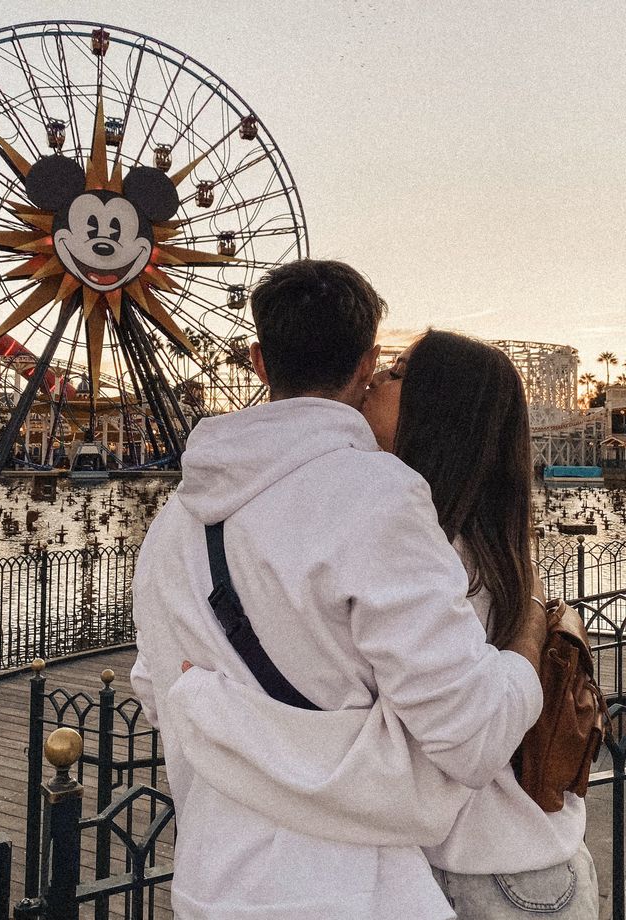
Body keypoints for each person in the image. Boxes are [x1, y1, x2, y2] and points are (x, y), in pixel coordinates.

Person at [130, 261, 547, 920]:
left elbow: (158, 688)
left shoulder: (170, 529)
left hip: (212, 882)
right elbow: (470, 733)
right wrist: (526, 646)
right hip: (352, 891)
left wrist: (243, 727)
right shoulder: (378, 497)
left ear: (259, 360)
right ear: (367, 360)